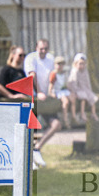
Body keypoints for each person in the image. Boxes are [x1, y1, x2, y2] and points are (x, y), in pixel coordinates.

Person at [23, 38, 63, 168]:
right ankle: (29, 160)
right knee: (30, 130)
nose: (43, 51)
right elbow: (32, 76)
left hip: (46, 99)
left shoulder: (51, 58)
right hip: (32, 98)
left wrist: (53, 91)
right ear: (36, 47)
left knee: (56, 124)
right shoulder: (31, 58)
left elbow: (54, 75)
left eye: (45, 48)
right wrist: (39, 92)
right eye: (41, 48)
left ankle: (37, 149)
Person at [67, 53, 99, 123]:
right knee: (84, 98)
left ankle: (93, 113)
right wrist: (74, 92)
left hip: (84, 89)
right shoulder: (75, 72)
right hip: (77, 89)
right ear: (75, 64)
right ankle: (82, 113)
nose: (82, 66)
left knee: (92, 98)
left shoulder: (85, 71)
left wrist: (89, 90)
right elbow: (72, 83)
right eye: (80, 64)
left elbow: (87, 82)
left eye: (83, 64)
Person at [50, 55, 75, 127]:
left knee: (73, 99)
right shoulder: (54, 74)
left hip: (64, 90)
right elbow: (51, 85)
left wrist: (70, 90)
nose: (60, 66)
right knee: (66, 102)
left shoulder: (63, 73)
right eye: (58, 64)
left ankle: (73, 117)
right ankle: (65, 119)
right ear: (55, 65)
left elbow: (65, 83)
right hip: (58, 91)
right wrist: (51, 93)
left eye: (61, 64)